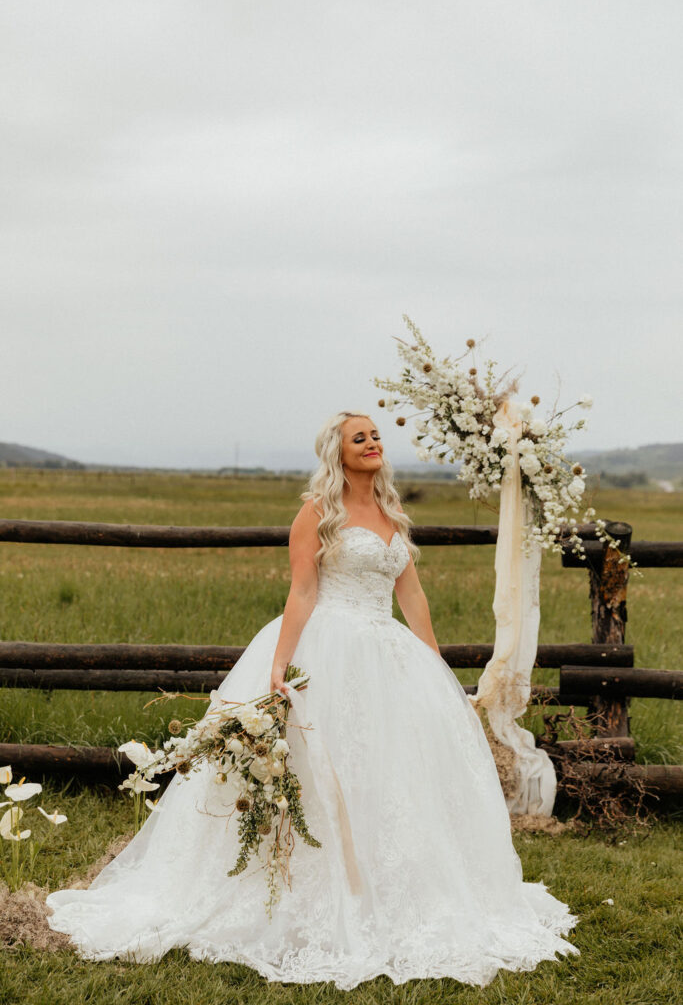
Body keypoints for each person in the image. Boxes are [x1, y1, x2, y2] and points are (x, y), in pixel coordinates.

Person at [46, 411, 580, 990]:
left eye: (376, 435)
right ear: (338, 452)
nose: (373, 442)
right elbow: (302, 589)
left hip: (388, 653)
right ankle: (317, 886)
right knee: (325, 768)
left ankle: (391, 881)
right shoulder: (317, 512)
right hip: (328, 648)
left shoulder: (392, 512)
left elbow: (413, 593)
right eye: (360, 438)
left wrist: (435, 664)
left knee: (389, 770)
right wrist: (280, 663)